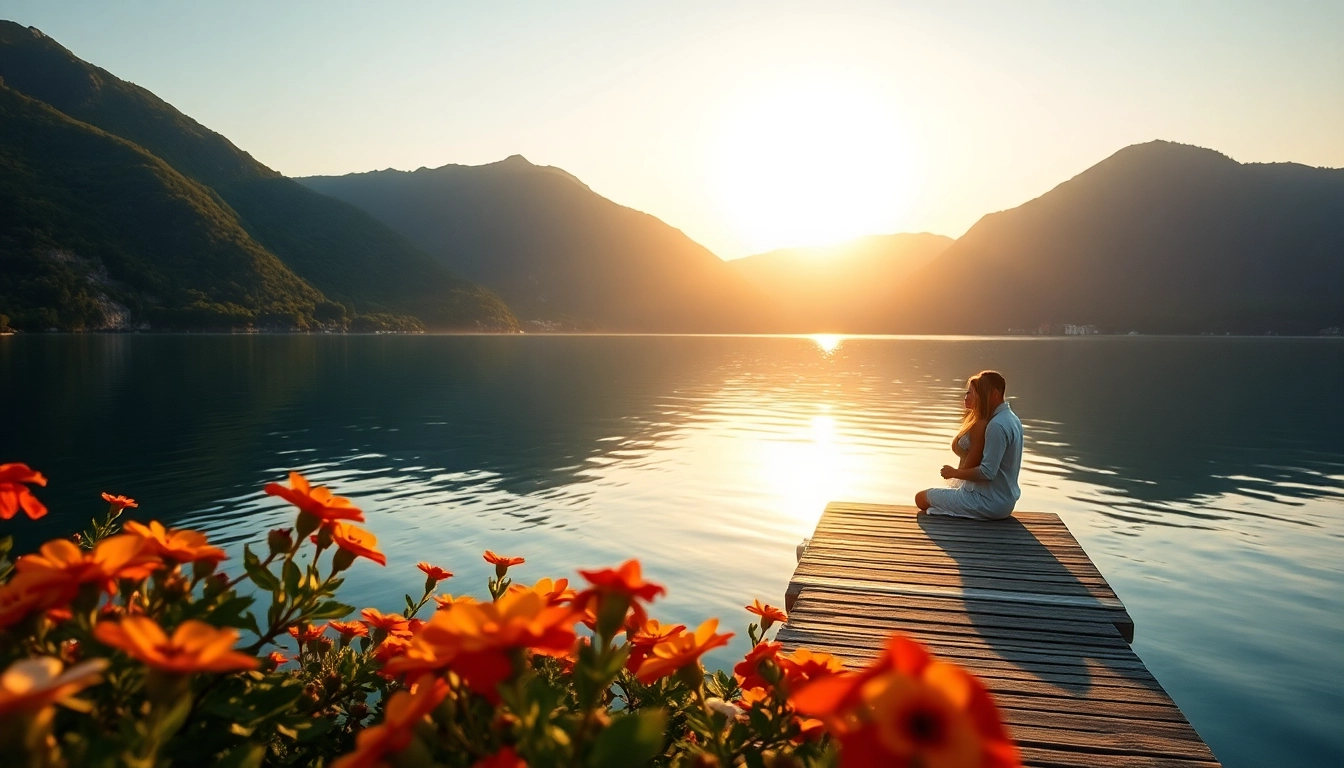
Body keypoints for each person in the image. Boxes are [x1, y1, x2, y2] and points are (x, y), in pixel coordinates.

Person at [915, 370, 1023, 520]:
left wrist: (954, 473)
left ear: (995, 394)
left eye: (982, 392)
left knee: (920, 498)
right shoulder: (1012, 418)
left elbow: (987, 472)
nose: (979, 396)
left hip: (988, 502)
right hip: (1002, 500)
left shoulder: (997, 425)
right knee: (936, 498)